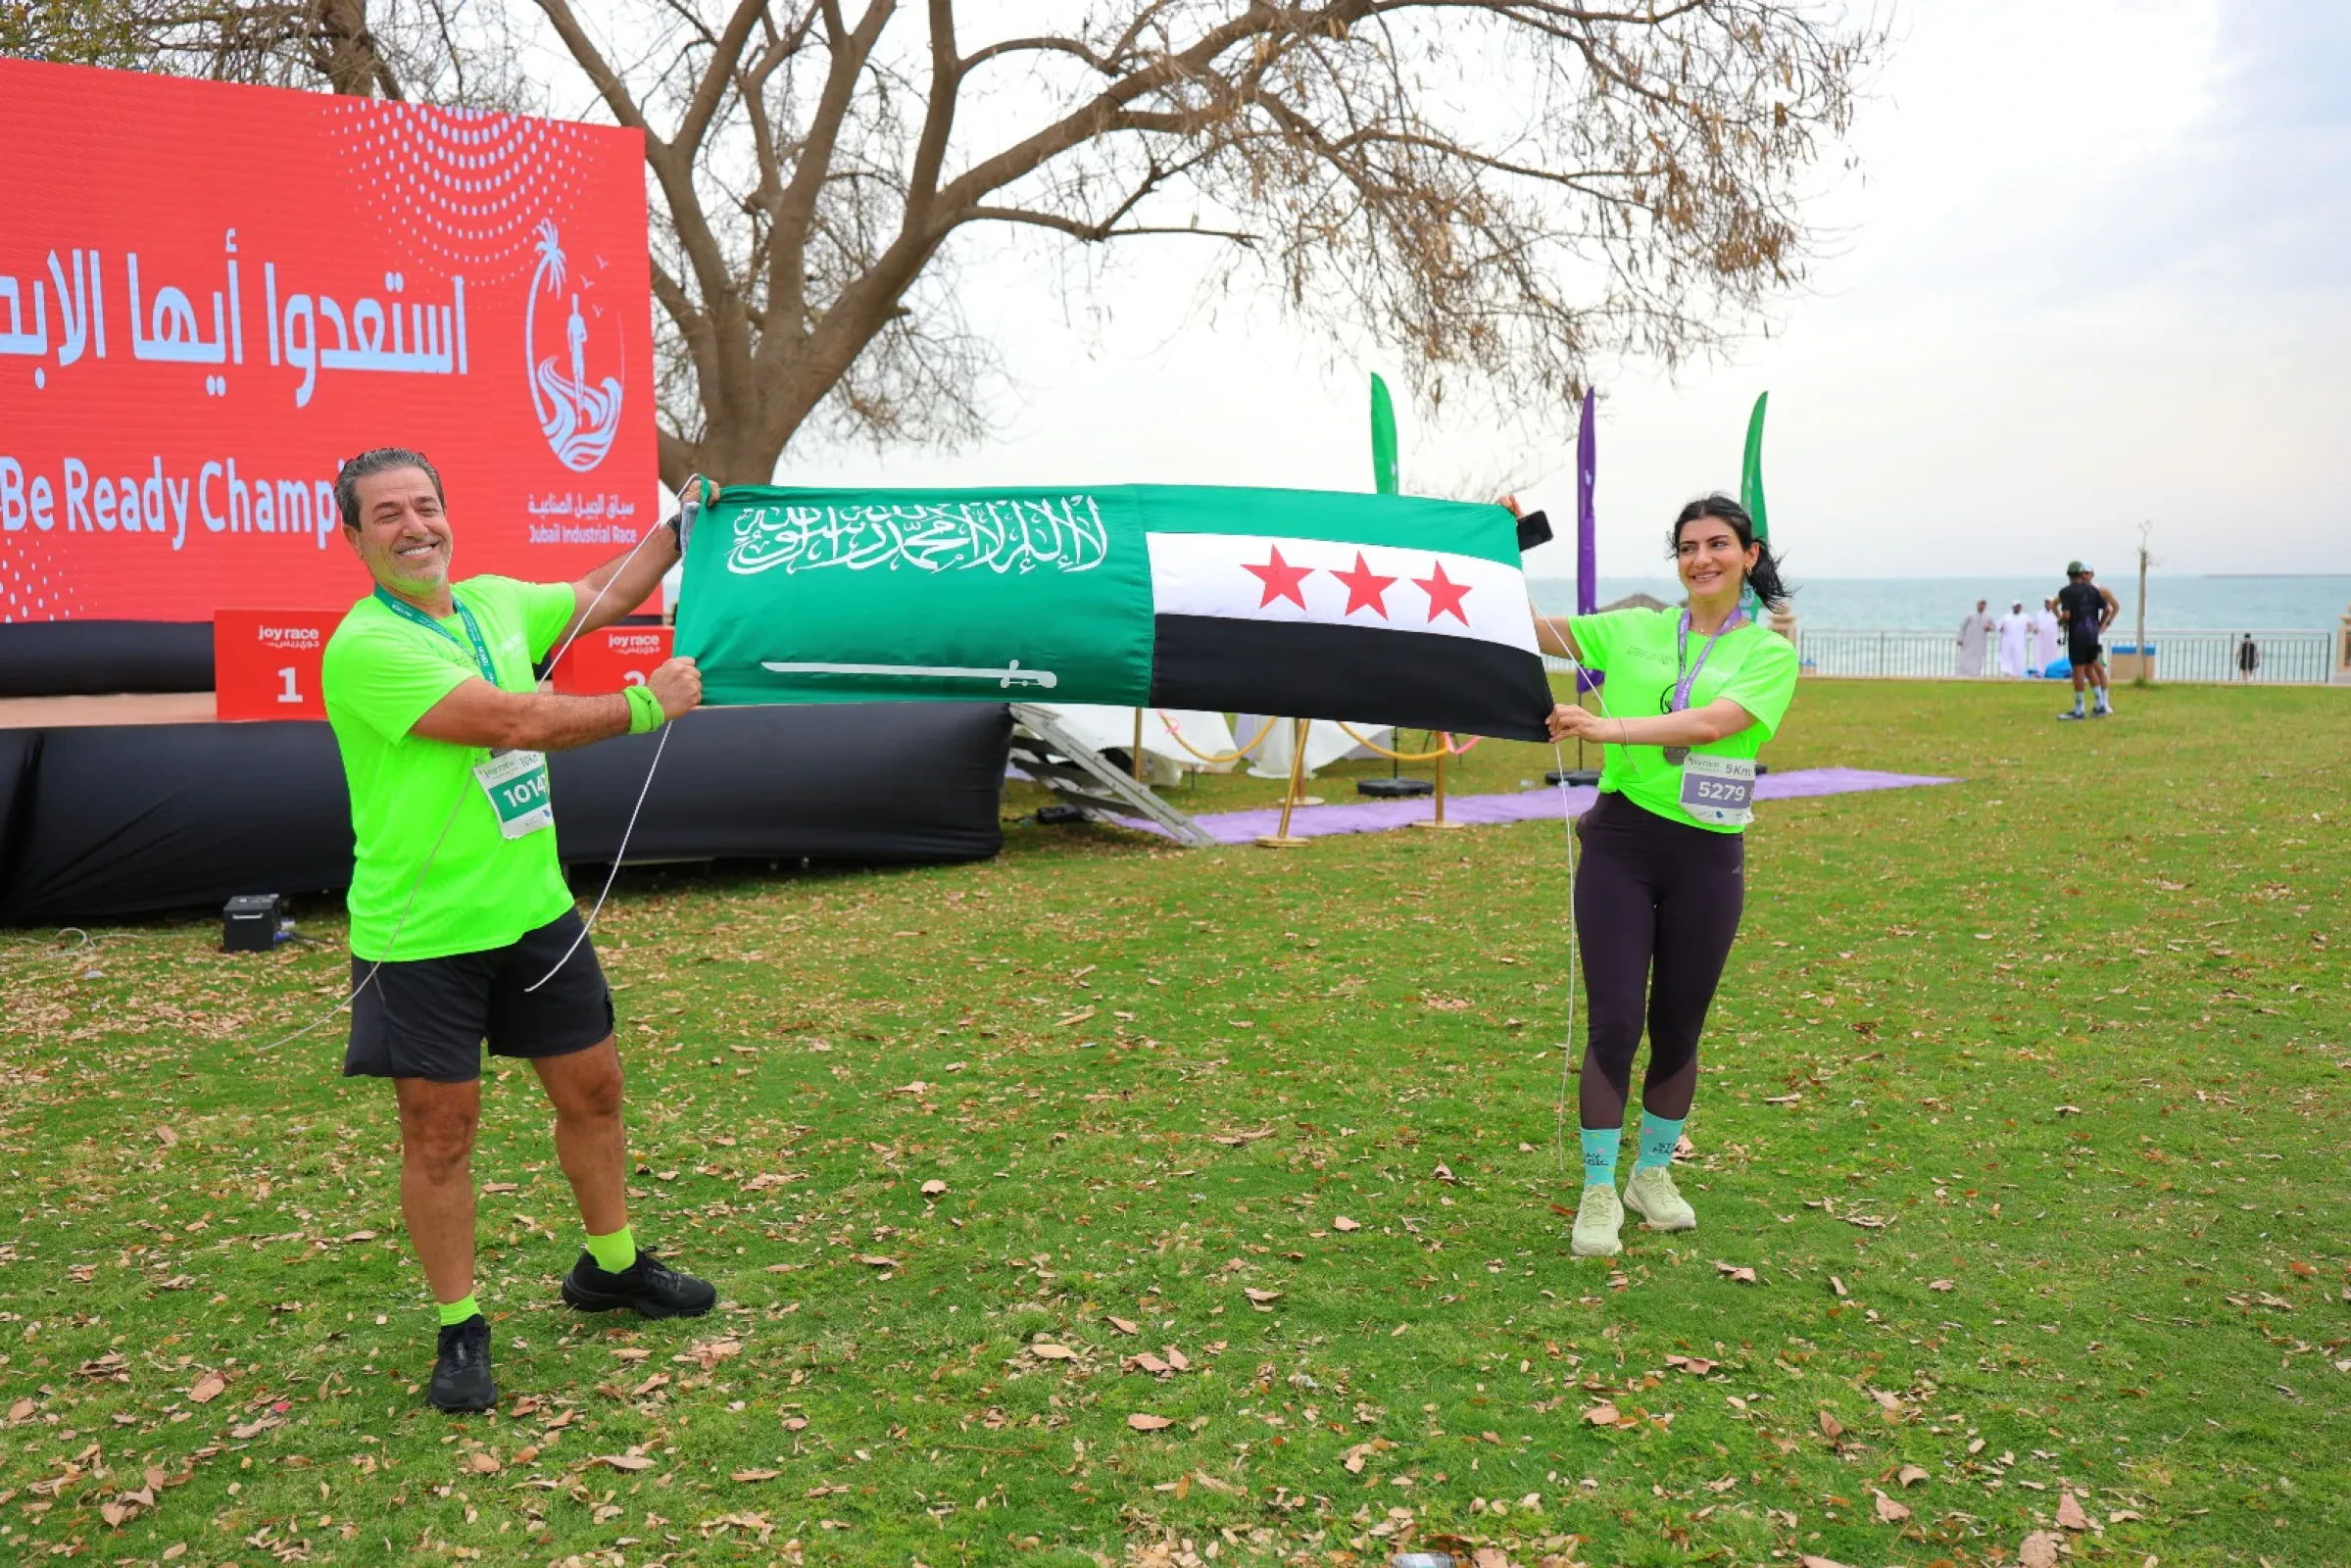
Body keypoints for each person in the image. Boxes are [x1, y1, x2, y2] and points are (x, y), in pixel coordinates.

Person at [321, 447, 719, 1415]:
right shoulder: (365, 647)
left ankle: (611, 1267)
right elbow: (507, 721)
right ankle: (459, 1325)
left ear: (446, 513)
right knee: (440, 1134)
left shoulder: (494, 601)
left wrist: (681, 529)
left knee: (596, 1092)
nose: (413, 526)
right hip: (422, 937)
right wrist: (644, 705)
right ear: (354, 537)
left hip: (535, 914)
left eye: (425, 504)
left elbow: (600, 592)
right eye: (387, 514)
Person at [1531, 495, 1798, 1258]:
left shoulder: (1768, 652)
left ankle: (1650, 1175)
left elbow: (1712, 724)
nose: (1700, 559)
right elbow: (1519, 626)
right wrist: (1492, 544)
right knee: (1615, 1023)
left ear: (1748, 556)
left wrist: (1604, 726)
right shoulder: (1631, 629)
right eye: (1686, 547)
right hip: (1621, 844)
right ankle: (1596, 1190)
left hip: (1707, 855)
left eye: (1717, 544)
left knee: (1678, 1027)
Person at [2055, 561, 2116, 718]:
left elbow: (2066, 615)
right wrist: (2100, 625)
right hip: (2092, 636)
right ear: (2082, 574)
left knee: (2078, 672)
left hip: (2077, 636)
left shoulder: (2066, 592)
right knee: (2090, 668)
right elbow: (2108, 609)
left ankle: (2079, 709)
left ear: (2069, 575)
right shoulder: (2093, 590)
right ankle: (2100, 705)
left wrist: (2060, 622)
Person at [1956, 599, 1992, 677]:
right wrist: (1960, 639)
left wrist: (1989, 628)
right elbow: (1962, 627)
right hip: (1968, 641)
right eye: (1980, 604)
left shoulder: (1988, 617)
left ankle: (1976, 675)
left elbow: (1994, 627)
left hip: (1980, 643)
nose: (1981, 606)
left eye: (1983, 605)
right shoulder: (1970, 616)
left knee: (1977, 659)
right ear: (1977, 605)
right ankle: (1962, 674)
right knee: (1965, 657)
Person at [1996, 600, 2032, 678]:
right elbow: (1998, 626)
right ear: (2013, 607)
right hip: (2007, 640)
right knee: (2006, 656)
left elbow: (2031, 627)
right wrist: (2001, 628)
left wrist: (2031, 627)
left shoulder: (2025, 617)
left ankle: (2018, 673)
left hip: (2020, 640)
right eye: (2016, 606)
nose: (2018, 607)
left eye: (2019, 606)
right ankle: (2007, 672)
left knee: (2019, 656)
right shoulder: (2006, 616)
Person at [2033, 598, 2062, 674]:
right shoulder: (2038, 613)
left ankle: (2052, 671)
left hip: (2053, 639)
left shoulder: (2057, 613)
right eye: (2047, 602)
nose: (2048, 604)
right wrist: (2034, 629)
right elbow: (2033, 625)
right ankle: (2040, 671)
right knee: (2040, 655)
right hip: (2041, 639)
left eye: (2049, 602)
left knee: (2053, 655)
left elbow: (2062, 626)